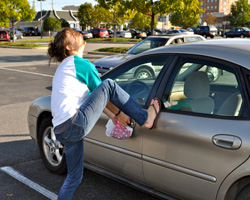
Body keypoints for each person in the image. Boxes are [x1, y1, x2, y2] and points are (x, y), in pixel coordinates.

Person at [48, 27, 160, 200]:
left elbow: (94, 98)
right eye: (73, 34)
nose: (79, 33)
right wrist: (121, 114)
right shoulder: (79, 64)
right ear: (68, 47)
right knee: (108, 84)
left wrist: (114, 116)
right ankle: (145, 118)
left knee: (74, 177)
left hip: (62, 131)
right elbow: (105, 92)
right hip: (74, 125)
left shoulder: (64, 67)